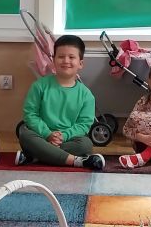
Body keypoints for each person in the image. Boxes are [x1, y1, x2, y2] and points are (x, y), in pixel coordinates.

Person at [16, 35, 104, 170]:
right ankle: (76, 161)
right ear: (53, 61)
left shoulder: (86, 95)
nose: (66, 61)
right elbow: (30, 114)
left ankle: (37, 155)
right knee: (25, 134)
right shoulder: (39, 86)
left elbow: (84, 124)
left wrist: (64, 135)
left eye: (71, 57)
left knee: (85, 144)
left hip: (68, 139)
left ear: (80, 63)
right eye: (61, 56)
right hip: (41, 135)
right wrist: (48, 134)